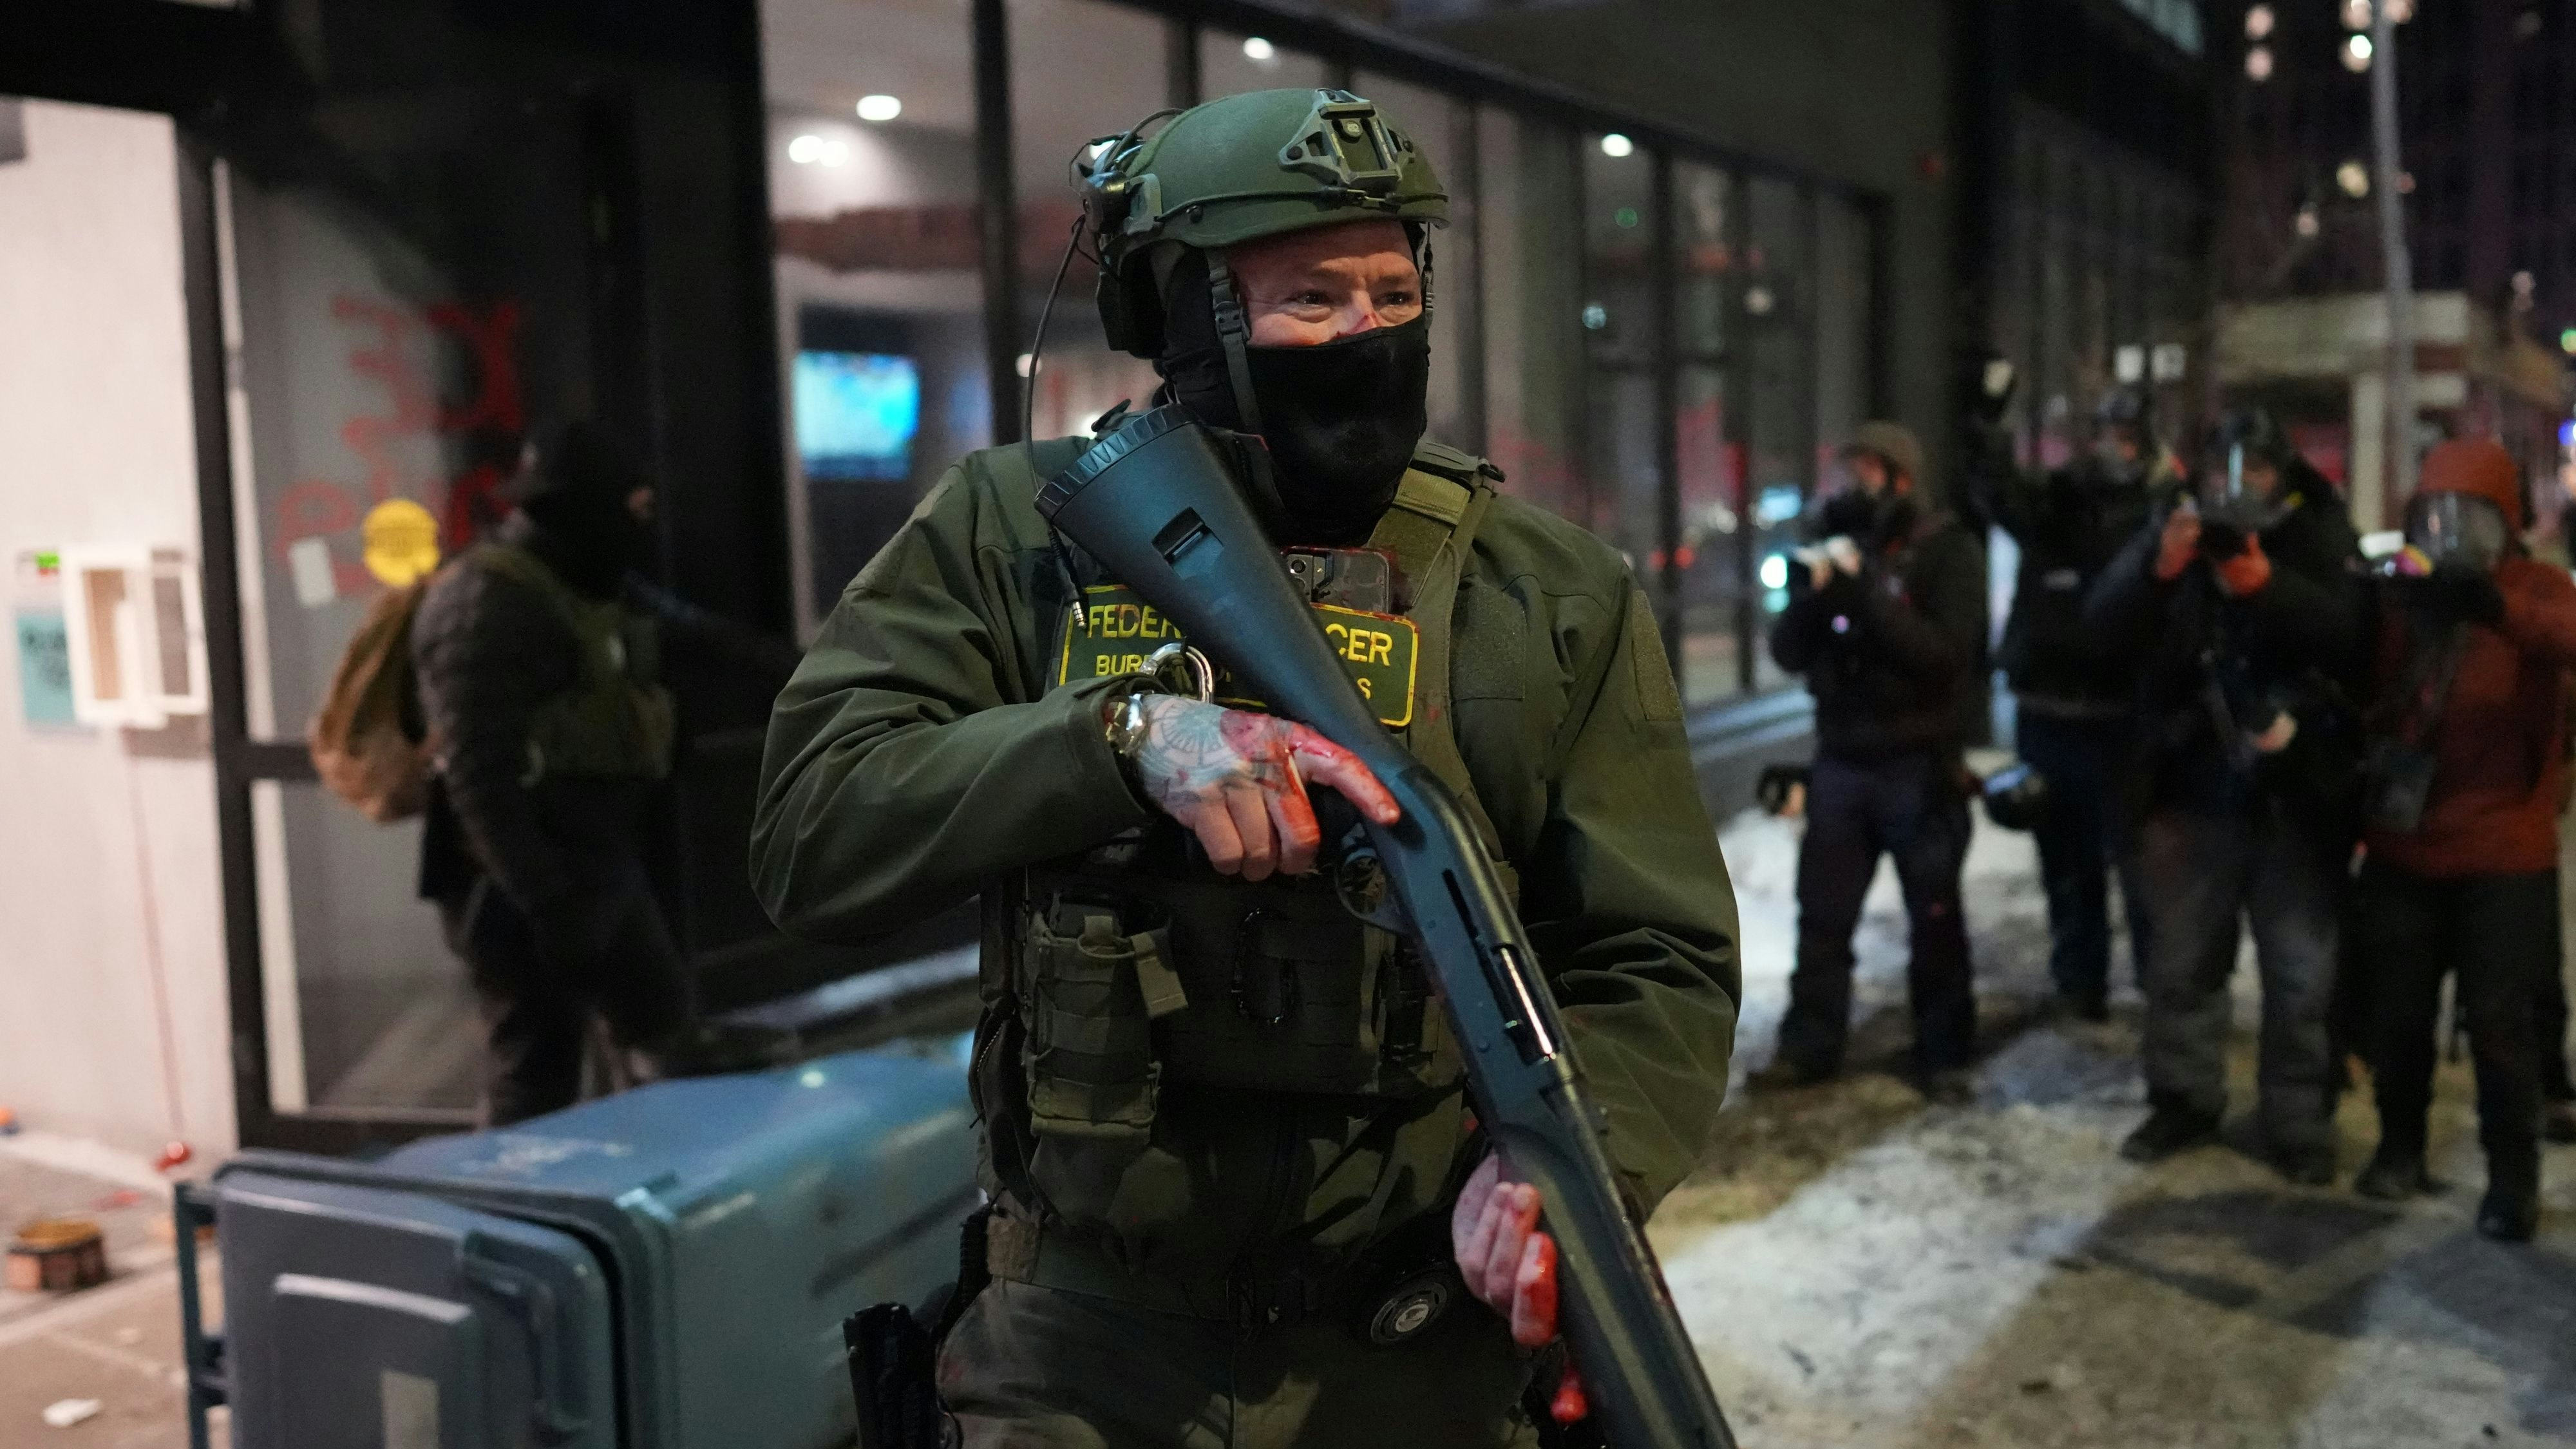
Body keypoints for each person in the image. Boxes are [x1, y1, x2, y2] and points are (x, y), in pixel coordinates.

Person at [750, 88, 1740, 1448]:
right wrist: (1116, 740)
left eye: (1391, 291)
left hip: (1409, 1344)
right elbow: (810, 831)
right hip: (1086, 1352)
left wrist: (1563, 1171)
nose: (1364, 337)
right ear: (1181, 320)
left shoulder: (1547, 589)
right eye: (1308, 298)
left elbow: (1654, 954)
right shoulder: (1015, 532)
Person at [413, 421, 794, 1125]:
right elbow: (478, 778)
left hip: (596, 864)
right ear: (585, 507)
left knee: (663, 1041)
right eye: (635, 506)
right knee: (535, 1081)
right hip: (517, 887)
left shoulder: (580, 577)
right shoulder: (488, 605)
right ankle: (513, 1226)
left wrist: (827, 675)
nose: (643, 523)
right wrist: (547, 903)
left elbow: (703, 637)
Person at [2085, 408, 2367, 1183]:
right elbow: (2101, 627)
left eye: (2256, 474)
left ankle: (2299, 1118)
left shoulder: (2318, 535)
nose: (2237, 491)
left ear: (2285, 475)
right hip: (2191, 791)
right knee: (2180, 963)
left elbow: (2352, 637)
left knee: (2300, 973)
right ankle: (2182, 1097)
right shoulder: (2169, 528)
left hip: (2294, 796)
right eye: (2221, 476)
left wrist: (2267, 587)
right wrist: (2160, 567)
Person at [2349, 439, 2576, 1240]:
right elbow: (2359, 678)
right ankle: (2398, 1146)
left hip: (2503, 856)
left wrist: (2493, 609)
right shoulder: (2406, 597)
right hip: (2405, 847)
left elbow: (2564, 638)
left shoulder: (2536, 589)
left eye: (2471, 517)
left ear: (2506, 523)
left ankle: (2510, 1181)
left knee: (2501, 1025)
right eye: (2435, 516)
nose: (2451, 533)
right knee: (2400, 1016)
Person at [1756, 422, 1989, 1101]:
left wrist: (1865, 598)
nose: (1852, 484)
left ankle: (1944, 1053)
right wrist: (1818, 593)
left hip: (1918, 763)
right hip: (1842, 759)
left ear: (1902, 478)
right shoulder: (1828, 542)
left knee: (1935, 917)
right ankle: (1808, 1046)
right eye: (1846, 469)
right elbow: (1788, 652)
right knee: (1821, 917)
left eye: (1868, 470)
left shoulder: (1945, 551)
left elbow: (1944, 657)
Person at [1969, 386, 2179, 1020]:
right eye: (2104, 435)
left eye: (2126, 436)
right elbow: (1999, 493)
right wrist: (1985, 424)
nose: (2112, 449)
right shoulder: (2061, 501)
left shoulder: (2162, 509)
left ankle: (2159, 992)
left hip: (2126, 719)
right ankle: (2077, 981)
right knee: (2066, 864)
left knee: (2143, 870)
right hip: (2053, 709)